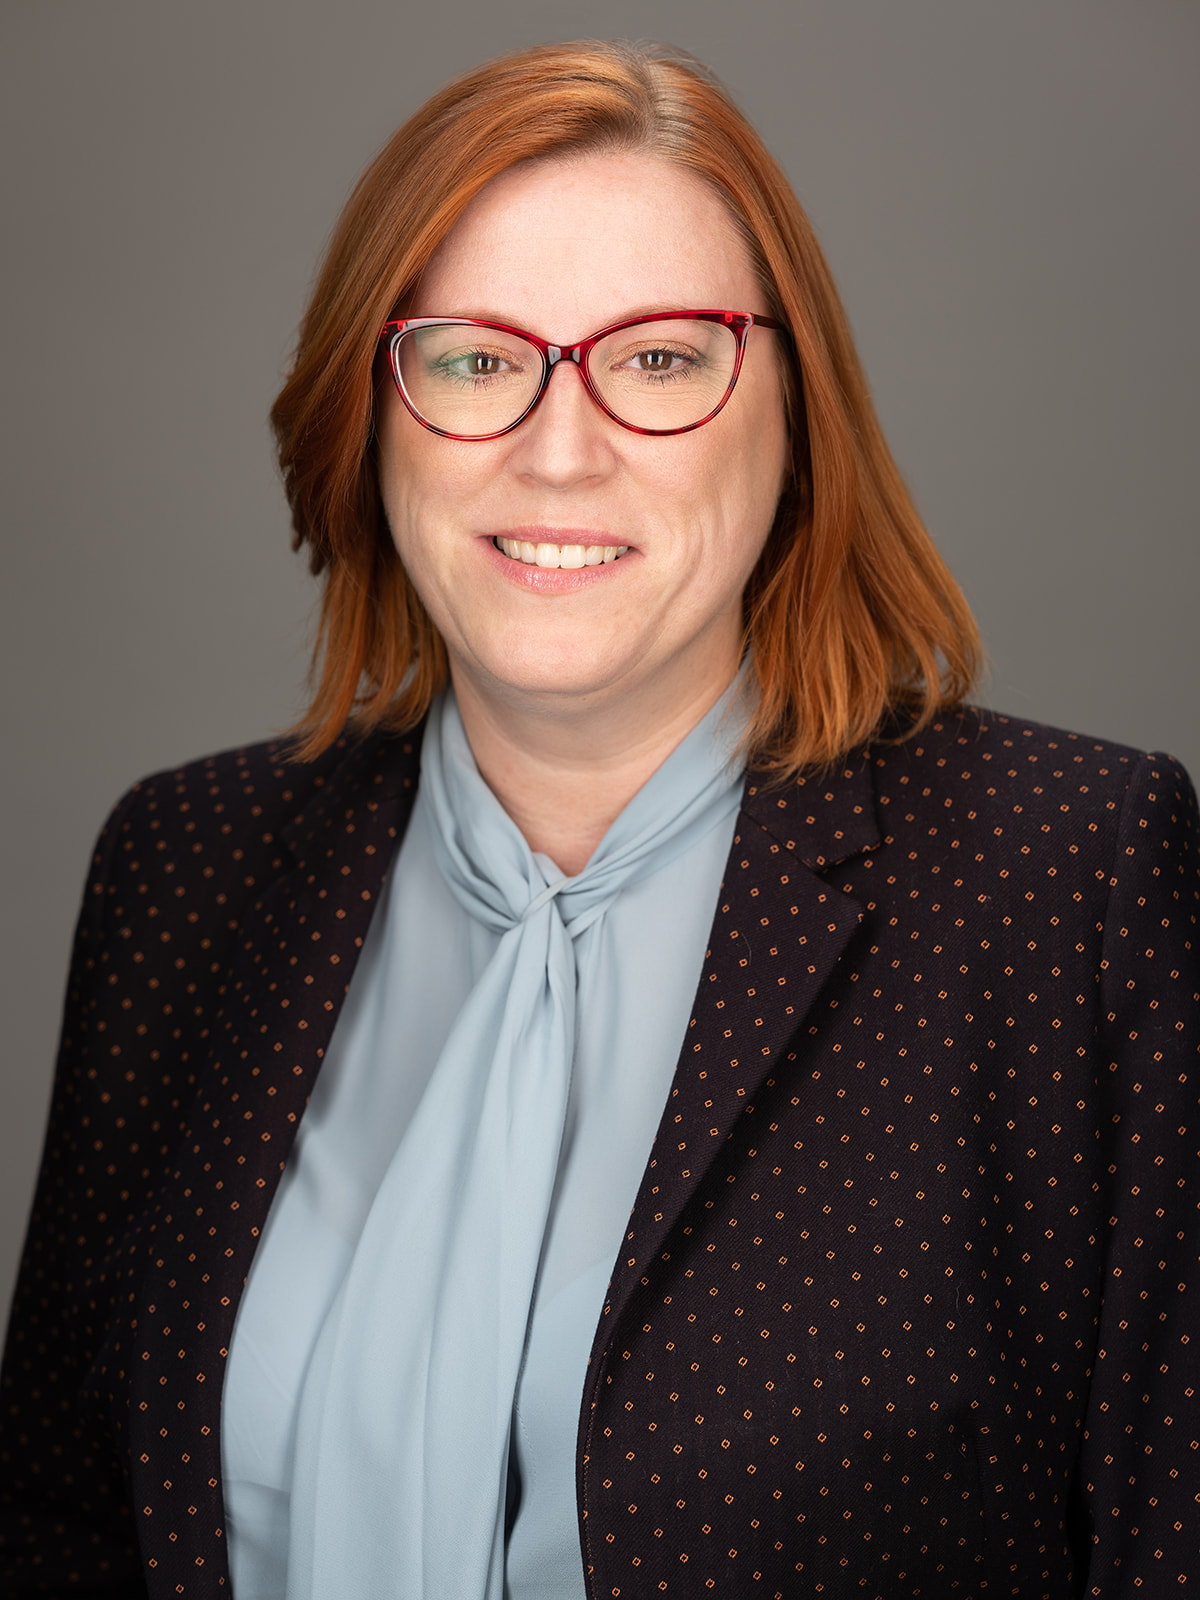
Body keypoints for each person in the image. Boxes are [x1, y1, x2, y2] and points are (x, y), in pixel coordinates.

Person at [1, 37, 1196, 1600]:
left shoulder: (1070, 875)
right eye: (477, 358)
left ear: (796, 416)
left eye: (659, 357)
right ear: (375, 414)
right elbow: (62, 1530)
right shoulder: (184, 870)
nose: (559, 450)